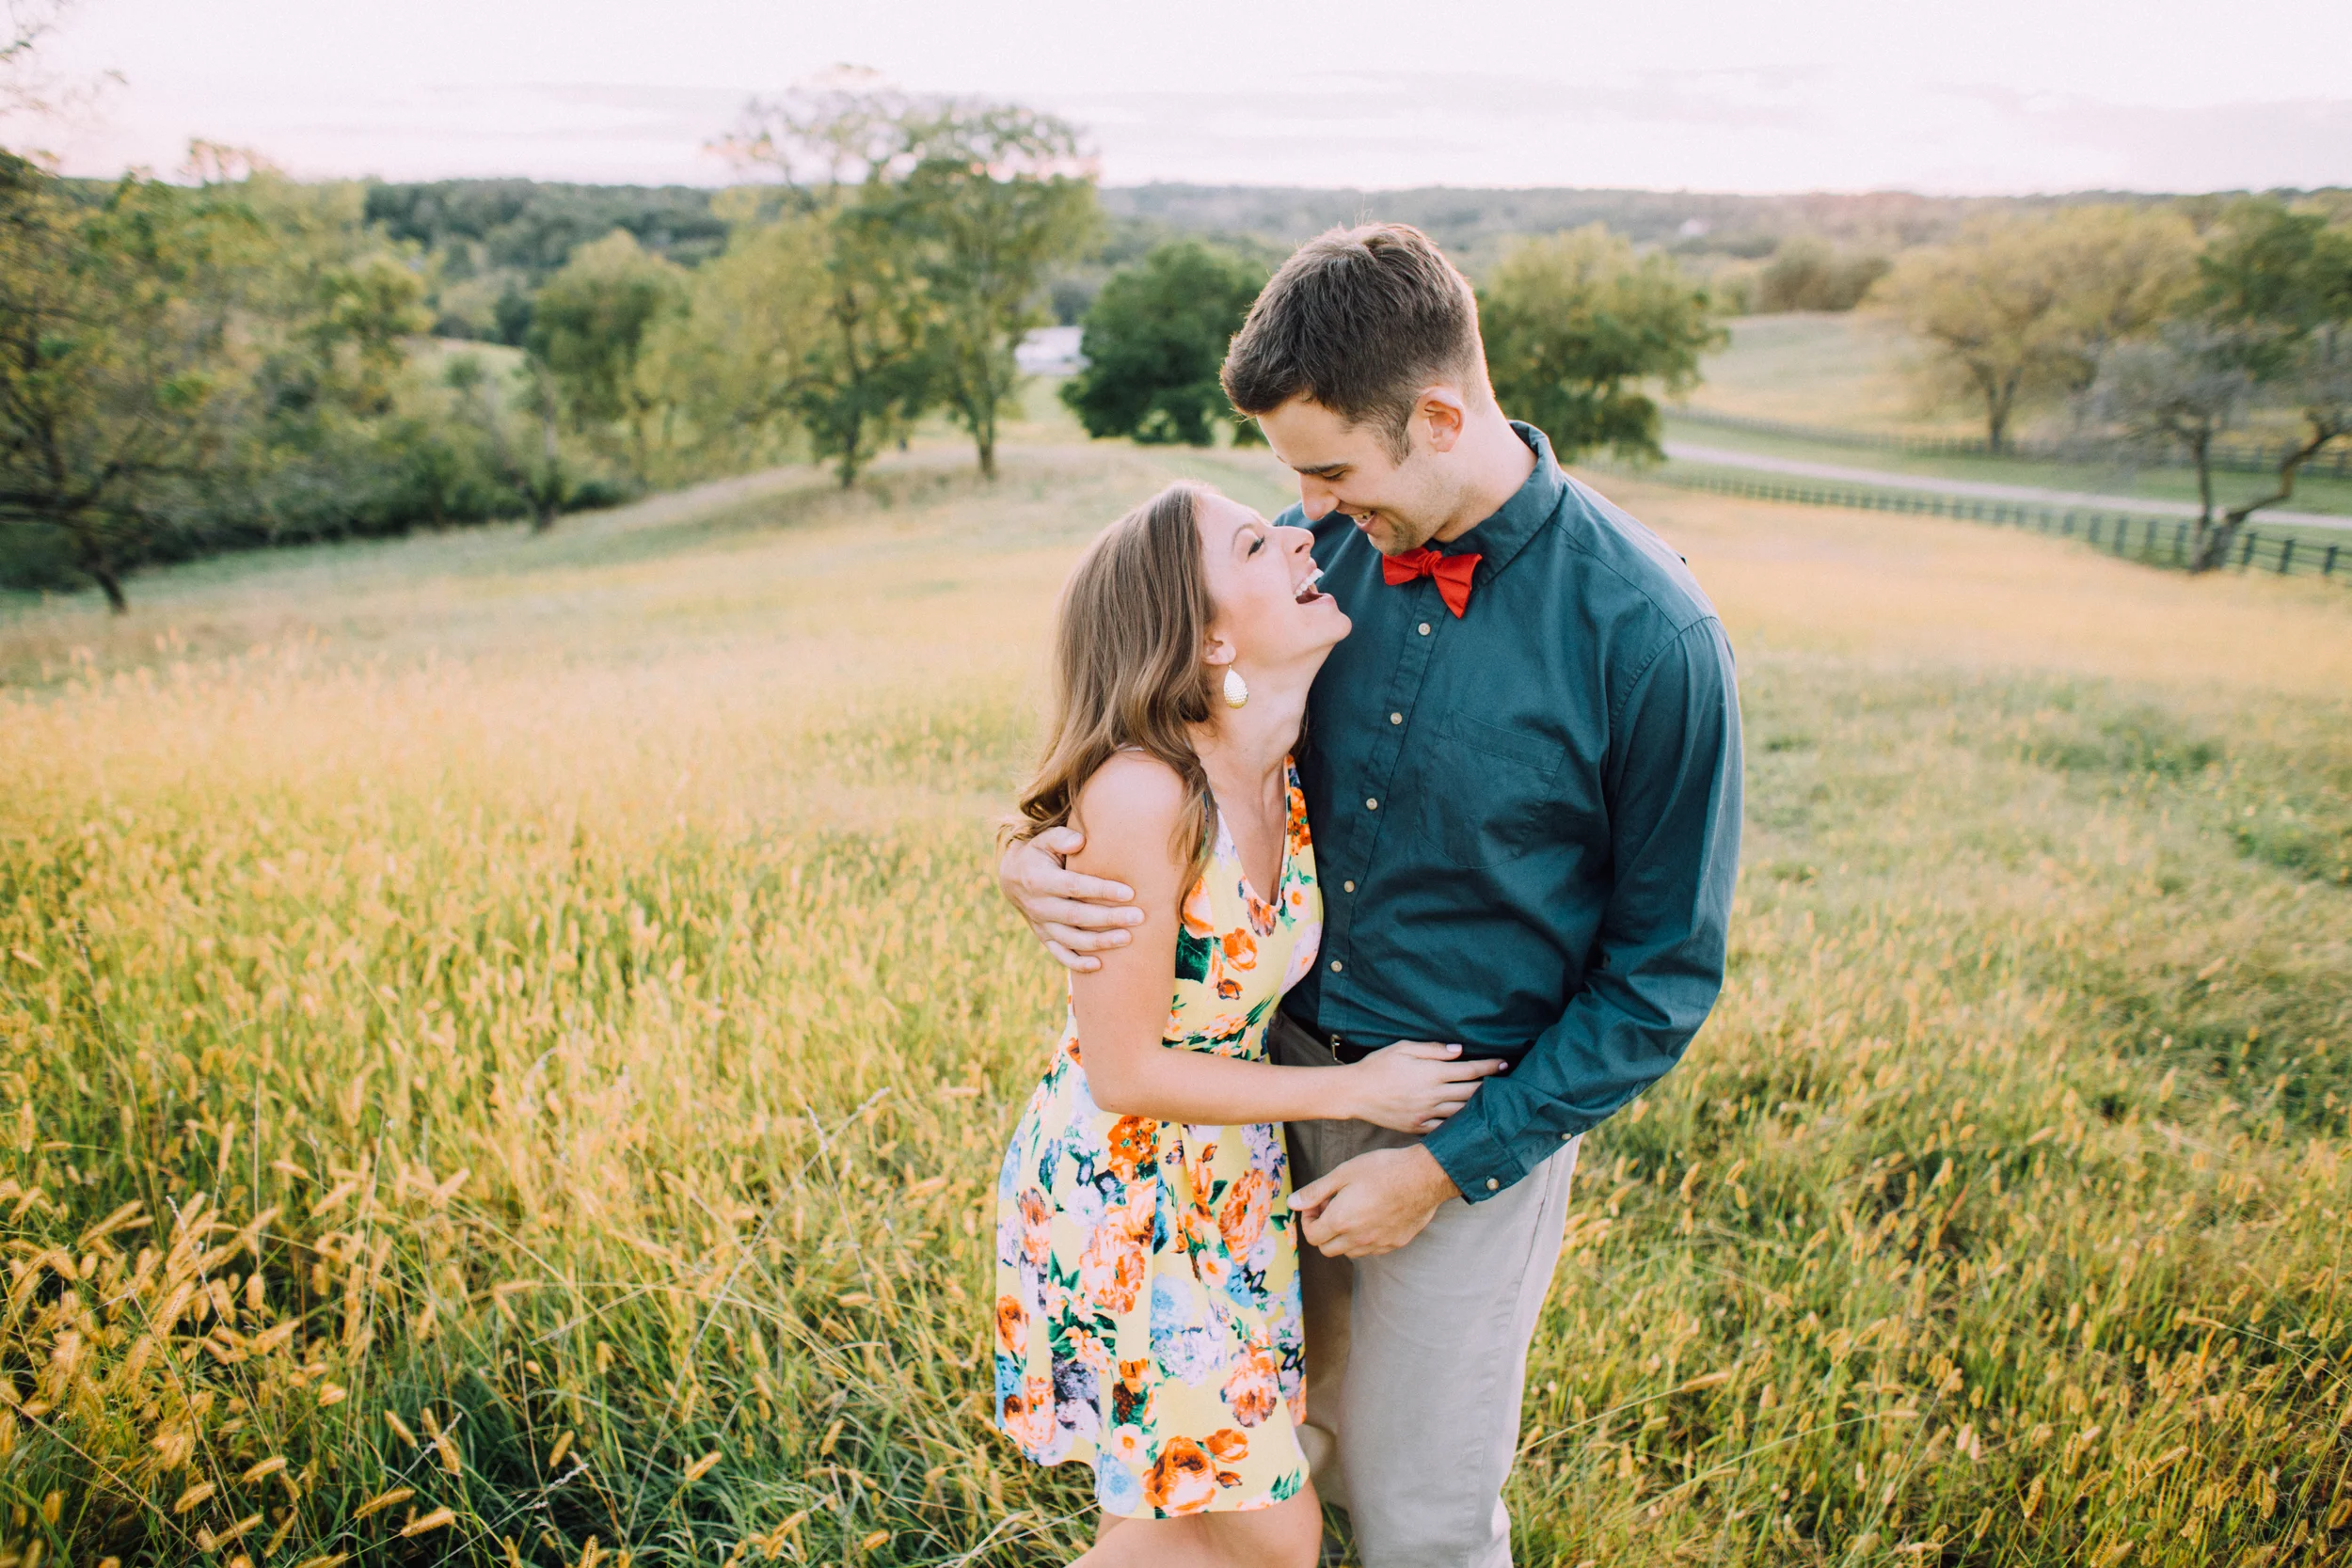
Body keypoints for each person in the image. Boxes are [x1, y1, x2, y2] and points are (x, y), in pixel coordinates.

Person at [999, 224, 1744, 1568]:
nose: (1314, 509)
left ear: (1441, 414)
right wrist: (1027, 854)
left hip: (1466, 1123)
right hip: (1243, 1111)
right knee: (1269, 1473)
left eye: (1332, 468)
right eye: (1293, 477)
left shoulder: (1649, 634)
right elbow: (1144, 728)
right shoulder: (1303, 569)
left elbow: (1661, 981)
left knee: (1420, 1509)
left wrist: (1443, 1164)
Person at [991, 481, 1510, 1568]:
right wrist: (1359, 1089)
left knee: (1182, 1509)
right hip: (1128, 1197)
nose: (1295, 533)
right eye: (1252, 539)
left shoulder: (1279, 763)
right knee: (1276, 1536)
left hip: (1226, 1184)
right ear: (1206, 630)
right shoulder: (1145, 793)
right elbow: (1128, 1070)